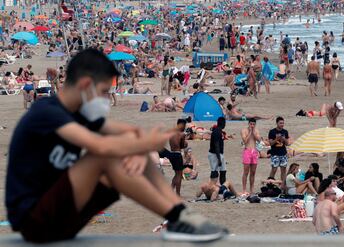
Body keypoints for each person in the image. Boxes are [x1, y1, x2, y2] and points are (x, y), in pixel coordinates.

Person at [5, 49, 227, 243]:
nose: (105, 99)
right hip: (33, 219)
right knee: (104, 158)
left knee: (133, 151)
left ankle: (179, 216)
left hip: (63, 215)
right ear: (85, 85)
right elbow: (100, 147)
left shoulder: (79, 115)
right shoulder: (47, 112)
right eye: (103, 91)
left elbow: (128, 132)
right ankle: (178, 217)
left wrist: (142, 138)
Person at [241, 119, 261, 195]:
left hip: (254, 152)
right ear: (248, 124)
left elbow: (259, 140)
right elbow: (245, 141)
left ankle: (251, 189)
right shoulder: (244, 130)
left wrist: (253, 133)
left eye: (253, 124)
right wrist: (250, 132)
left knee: (253, 172)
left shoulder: (256, 131)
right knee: (246, 172)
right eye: (251, 124)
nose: (252, 126)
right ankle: (244, 189)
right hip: (247, 151)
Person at [268, 117, 289, 189]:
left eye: (283, 123)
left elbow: (287, 143)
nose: (282, 124)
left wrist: (284, 139)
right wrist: (276, 139)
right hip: (274, 153)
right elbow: (270, 143)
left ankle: (282, 186)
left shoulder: (285, 132)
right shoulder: (272, 132)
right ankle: (270, 184)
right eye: (280, 123)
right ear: (277, 123)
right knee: (274, 169)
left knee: (283, 170)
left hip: (283, 153)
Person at [169, 119, 188, 196]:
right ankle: (178, 194)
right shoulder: (181, 134)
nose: (184, 127)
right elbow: (182, 146)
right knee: (179, 175)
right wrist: (186, 144)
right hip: (177, 154)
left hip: (172, 154)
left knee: (177, 174)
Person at [208, 117, 227, 186]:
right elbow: (216, 146)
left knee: (223, 171)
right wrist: (219, 159)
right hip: (214, 154)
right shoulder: (216, 132)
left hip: (219, 154)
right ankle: (211, 187)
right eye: (225, 123)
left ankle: (222, 188)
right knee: (214, 172)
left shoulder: (219, 131)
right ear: (223, 123)